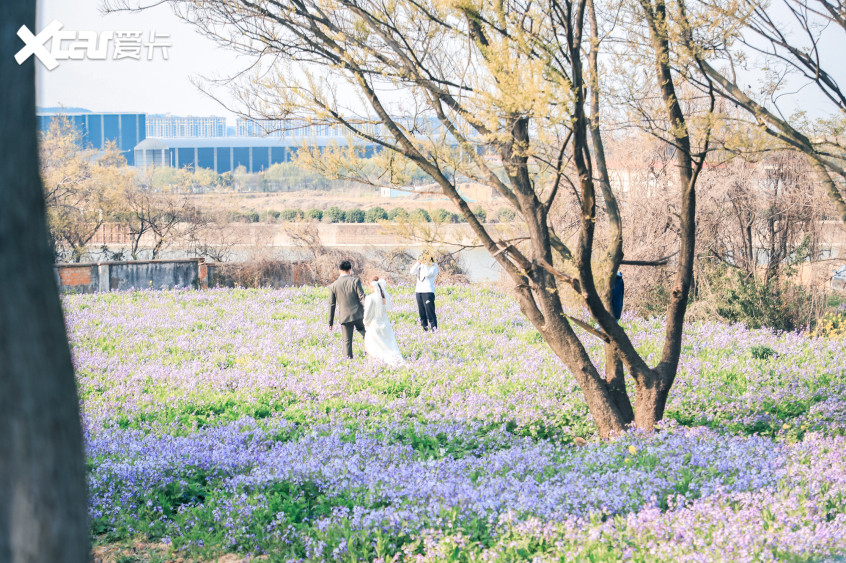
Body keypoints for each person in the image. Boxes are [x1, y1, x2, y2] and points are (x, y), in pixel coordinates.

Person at [328, 260, 367, 359]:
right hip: (358, 315)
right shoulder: (355, 281)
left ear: (339, 271)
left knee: (347, 341)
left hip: (345, 317)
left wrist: (330, 322)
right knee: (366, 333)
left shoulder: (333, 286)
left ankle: (348, 361)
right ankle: (372, 352)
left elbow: (332, 305)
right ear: (350, 271)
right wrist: (368, 309)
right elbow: (362, 297)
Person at [363, 277, 405, 366]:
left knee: (371, 344)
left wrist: (366, 324)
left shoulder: (370, 298)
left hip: (374, 324)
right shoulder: (386, 296)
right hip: (386, 323)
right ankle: (394, 360)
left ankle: (378, 363)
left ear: (371, 286)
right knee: (388, 344)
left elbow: (368, 314)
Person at [410, 253, 439, 331]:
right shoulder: (421, 266)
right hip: (419, 291)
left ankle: (434, 331)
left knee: (430, 313)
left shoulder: (434, 266)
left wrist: (426, 263)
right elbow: (412, 271)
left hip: (428, 292)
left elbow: (427, 274)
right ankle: (424, 330)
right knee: (422, 313)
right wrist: (418, 263)